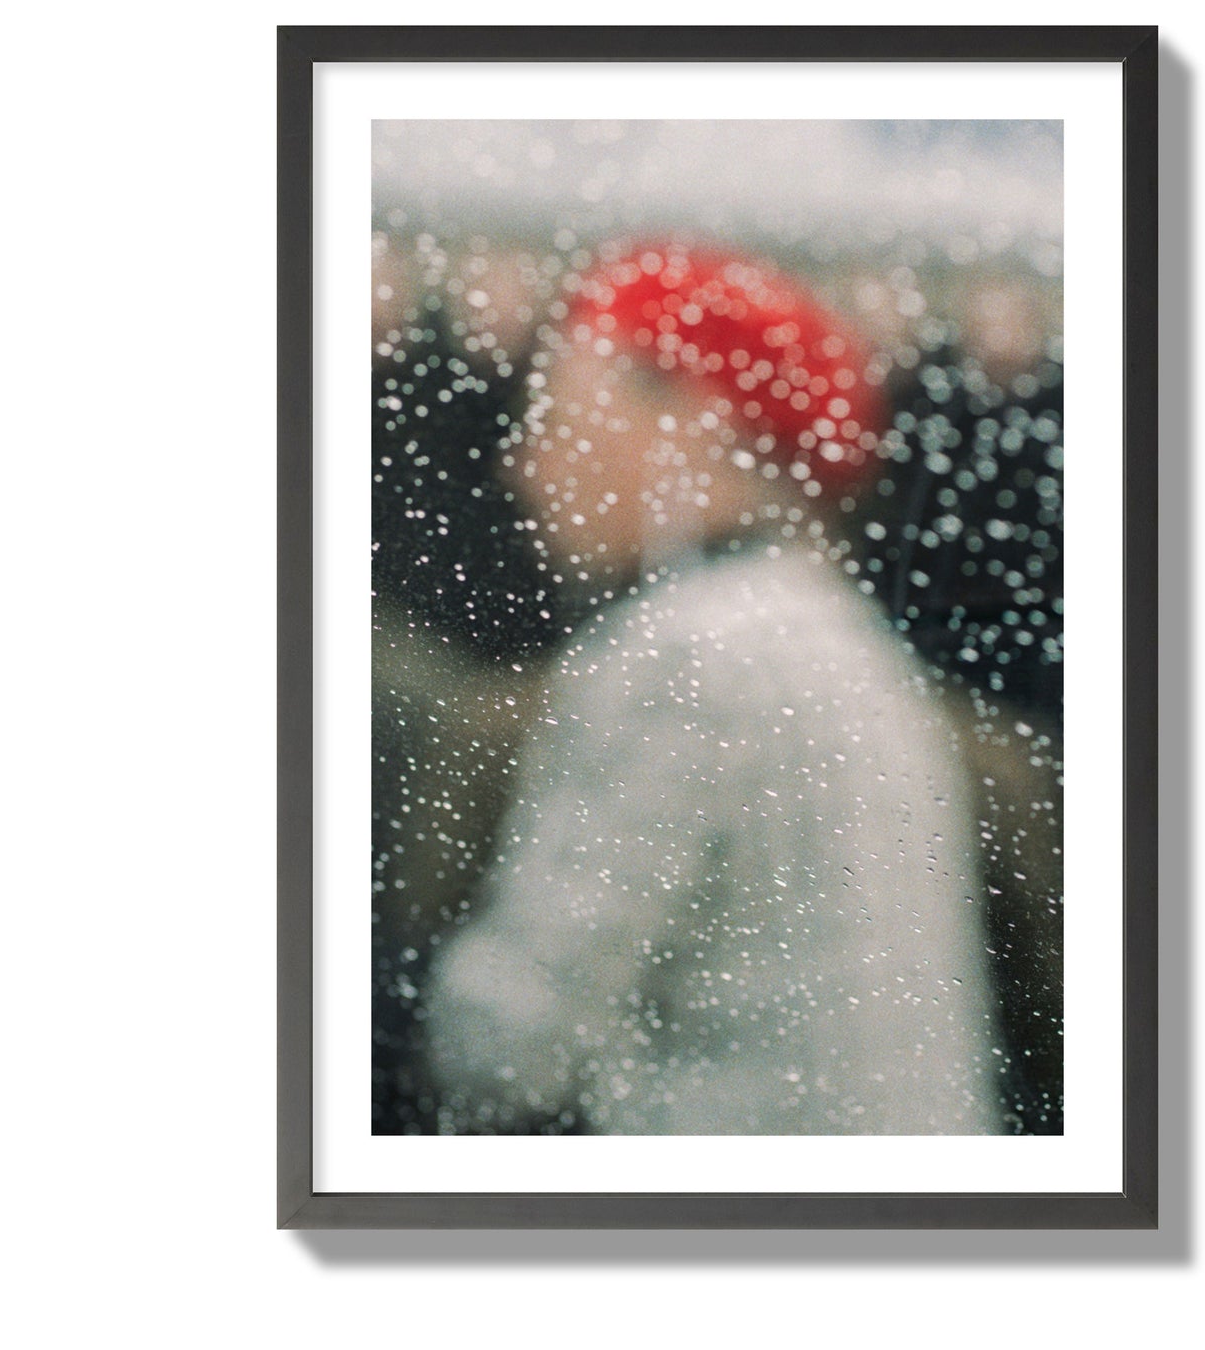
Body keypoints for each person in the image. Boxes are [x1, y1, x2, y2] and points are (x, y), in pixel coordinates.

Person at [423, 245, 1005, 1134]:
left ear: (688, 424)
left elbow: (509, 1046)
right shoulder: (833, 635)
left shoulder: (689, 654)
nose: (523, 462)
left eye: (555, 416)